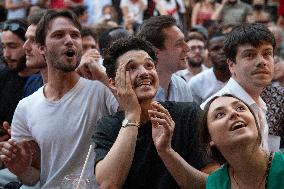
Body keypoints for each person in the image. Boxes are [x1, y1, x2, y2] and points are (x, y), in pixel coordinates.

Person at [0, 9, 118, 188]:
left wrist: (103, 76)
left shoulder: (101, 88)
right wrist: (21, 167)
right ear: (42, 47)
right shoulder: (26, 107)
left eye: (75, 35)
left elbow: (137, 114)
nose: (69, 40)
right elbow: (33, 178)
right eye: (59, 35)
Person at [93, 37, 217, 189]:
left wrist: (167, 152)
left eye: (149, 66)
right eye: (132, 68)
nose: (144, 72)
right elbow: (108, 184)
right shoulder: (108, 126)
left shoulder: (188, 114)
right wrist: (132, 114)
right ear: (113, 83)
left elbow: (211, 184)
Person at [151, 94, 284, 188]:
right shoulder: (216, 183)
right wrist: (165, 150)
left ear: (256, 123)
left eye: (240, 108)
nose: (234, 113)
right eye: (220, 114)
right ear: (210, 138)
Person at [201, 23, 276, 151]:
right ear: (231, 65)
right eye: (250, 55)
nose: (261, 62)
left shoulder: (260, 104)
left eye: (267, 53)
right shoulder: (210, 112)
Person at [137, 15, 193, 102]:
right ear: (156, 52)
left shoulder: (182, 86)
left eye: (184, 41)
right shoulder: (136, 91)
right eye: (178, 44)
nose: (187, 48)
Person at [0, 18, 38, 126]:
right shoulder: (3, 77)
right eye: (3, 47)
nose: (6, 54)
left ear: (28, 45)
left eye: (12, 46)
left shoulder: (44, 80)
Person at [189, 34, 230, 105]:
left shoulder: (243, 79)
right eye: (216, 49)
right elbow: (193, 113)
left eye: (225, 48)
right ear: (208, 54)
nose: (221, 52)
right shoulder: (196, 83)